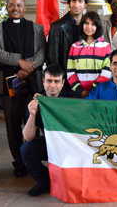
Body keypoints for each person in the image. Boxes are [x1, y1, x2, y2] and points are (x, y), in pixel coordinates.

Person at [0, 0, 46, 177]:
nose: (15, 8)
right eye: (12, 5)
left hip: (32, 82)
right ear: (7, 8)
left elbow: (41, 53)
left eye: (19, 5)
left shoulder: (36, 28)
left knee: (32, 121)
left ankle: (32, 160)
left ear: (24, 8)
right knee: (12, 125)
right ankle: (19, 163)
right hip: (8, 84)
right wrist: (19, 62)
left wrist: (26, 68)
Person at [21, 65, 76, 197]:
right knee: (26, 148)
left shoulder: (73, 99)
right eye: (49, 81)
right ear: (43, 81)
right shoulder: (37, 101)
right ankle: (44, 181)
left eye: (56, 81)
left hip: (71, 145)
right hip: (49, 143)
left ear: (63, 83)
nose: (52, 85)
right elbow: (28, 137)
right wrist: (33, 114)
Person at [66, 11, 112, 98]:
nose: (89, 27)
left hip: (99, 94)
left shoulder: (105, 46)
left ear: (97, 26)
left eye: (93, 24)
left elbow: (107, 72)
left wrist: (94, 89)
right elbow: (70, 73)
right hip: (78, 95)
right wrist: (80, 91)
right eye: (86, 23)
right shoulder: (75, 46)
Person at [46, 0, 88, 76]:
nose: (76, 5)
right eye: (73, 1)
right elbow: (53, 59)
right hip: (65, 77)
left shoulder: (91, 26)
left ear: (85, 4)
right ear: (68, 3)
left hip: (86, 77)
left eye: (80, 1)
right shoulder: (56, 27)